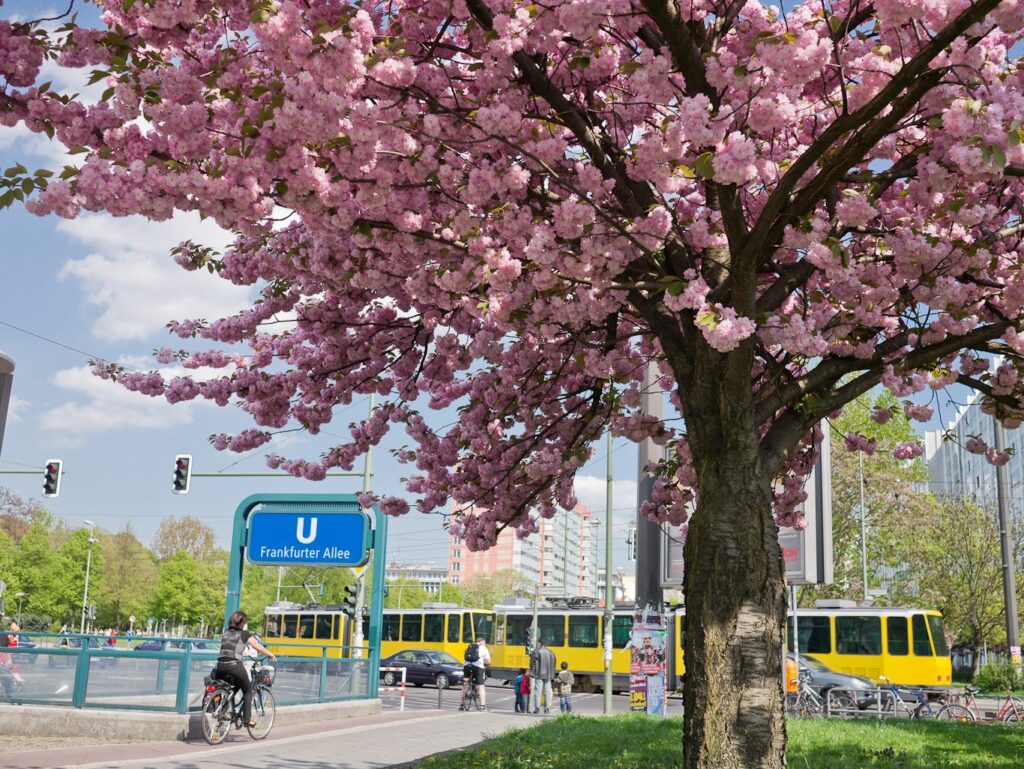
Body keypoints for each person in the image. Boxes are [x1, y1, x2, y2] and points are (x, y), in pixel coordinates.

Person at [215, 611, 275, 727]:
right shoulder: (244, 634)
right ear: (242, 623)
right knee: (247, 690)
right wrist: (270, 654)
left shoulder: (225, 632)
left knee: (235, 686)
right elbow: (258, 647)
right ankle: (247, 720)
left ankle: (224, 709)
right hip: (234, 666)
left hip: (220, 666)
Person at [459, 636, 490, 711]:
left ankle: (461, 705)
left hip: (467, 667)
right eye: (484, 643)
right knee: (481, 686)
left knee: (465, 684)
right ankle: (482, 706)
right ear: (482, 642)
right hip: (478, 668)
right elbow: (488, 661)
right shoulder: (483, 648)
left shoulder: (469, 647)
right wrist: (483, 662)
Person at [529, 638, 556, 714]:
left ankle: (537, 708)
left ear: (540, 643)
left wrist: (532, 671)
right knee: (547, 691)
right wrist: (551, 674)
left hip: (538, 674)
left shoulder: (536, 651)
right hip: (548, 675)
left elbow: (531, 663)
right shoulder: (551, 652)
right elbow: (554, 664)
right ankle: (546, 708)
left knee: (538, 691)